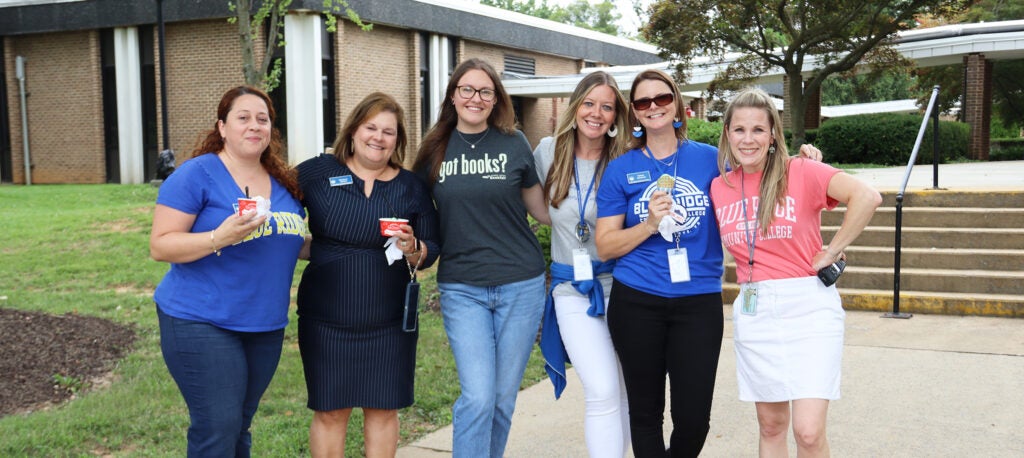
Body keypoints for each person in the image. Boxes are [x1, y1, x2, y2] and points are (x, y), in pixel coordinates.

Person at [710, 88, 881, 457]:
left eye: (758, 129)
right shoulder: (719, 187)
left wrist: (833, 249)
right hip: (755, 309)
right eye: (739, 130)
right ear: (726, 134)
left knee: (807, 431)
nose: (748, 139)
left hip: (809, 310)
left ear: (773, 134)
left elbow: (867, 196)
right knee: (771, 426)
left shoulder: (801, 170)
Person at [150, 85, 308, 457]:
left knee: (238, 424)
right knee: (217, 426)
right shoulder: (197, 175)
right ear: (222, 127)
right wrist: (218, 237)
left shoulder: (284, 183)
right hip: (200, 319)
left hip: (264, 325)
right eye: (243, 118)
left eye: (262, 119)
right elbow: (160, 244)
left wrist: (348, 247)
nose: (254, 126)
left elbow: (291, 242)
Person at [412, 57, 549, 458]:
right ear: (453, 95)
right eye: (467, 89)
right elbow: (414, 212)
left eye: (485, 91)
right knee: (477, 397)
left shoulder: (514, 143)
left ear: (496, 99)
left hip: (521, 285)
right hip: (462, 288)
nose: (476, 97)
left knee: (502, 400)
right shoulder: (434, 149)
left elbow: (542, 210)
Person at [295, 92, 439, 457]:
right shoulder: (317, 172)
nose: (378, 137)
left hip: (389, 321)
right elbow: (279, 211)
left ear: (398, 138)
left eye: (388, 131)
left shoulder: (411, 186)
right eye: (371, 127)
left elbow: (433, 248)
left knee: (383, 408)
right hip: (326, 319)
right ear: (354, 130)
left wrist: (414, 248)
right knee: (330, 410)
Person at [594, 68, 725, 457]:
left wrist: (802, 161)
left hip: (698, 301)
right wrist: (649, 225)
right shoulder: (620, 169)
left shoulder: (713, 160)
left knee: (694, 418)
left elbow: (760, 181)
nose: (654, 107)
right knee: (646, 413)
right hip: (638, 301)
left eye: (662, 98)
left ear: (678, 104)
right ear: (634, 113)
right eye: (643, 102)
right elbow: (605, 245)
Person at [533, 70, 631, 457]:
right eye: (589, 103)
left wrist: (793, 157)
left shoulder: (624, 157)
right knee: (602, 388)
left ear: (615, 115)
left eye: (606, 106)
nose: (596, 113)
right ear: (575, 107)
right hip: (571, 290)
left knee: (624, 388)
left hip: (622, 286)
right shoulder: (546, 151)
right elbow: (511, 193)